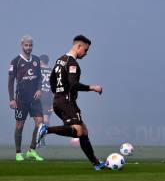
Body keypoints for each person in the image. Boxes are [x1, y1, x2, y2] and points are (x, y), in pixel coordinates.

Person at [35, 35, 105, 170]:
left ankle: (96, 164)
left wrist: (57, 95)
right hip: (67, 101)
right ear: (78, 46)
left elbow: (51, 81)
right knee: (78, 131)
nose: (86, 53)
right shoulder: (72, 63)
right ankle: (46, 130)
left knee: (83, 131)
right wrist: (93, 87)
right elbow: (73, 84)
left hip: (59, 100)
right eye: (85, 50)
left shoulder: (60, 60)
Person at [8, 35, 44, 161]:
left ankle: (31, 150)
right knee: (19, 124)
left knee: (40, 123)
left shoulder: (36, 60)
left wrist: (39, 89)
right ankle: (18, 153)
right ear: (22, 45)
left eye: (31, 45)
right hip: (21, 98)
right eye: (26, 45)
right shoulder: (15, 61)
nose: (29, 48)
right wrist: (12, 99)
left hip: (34, 98)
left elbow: (39, 77)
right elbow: (10, 81)